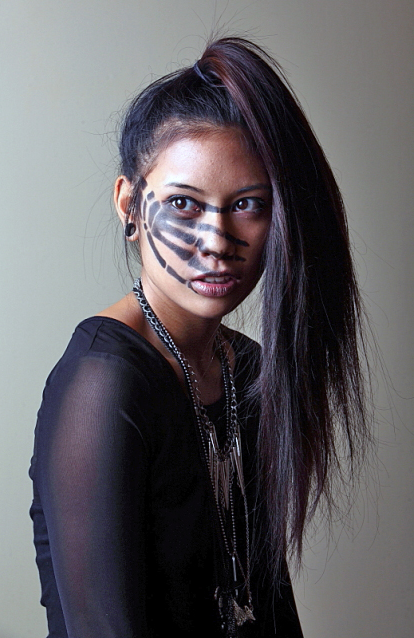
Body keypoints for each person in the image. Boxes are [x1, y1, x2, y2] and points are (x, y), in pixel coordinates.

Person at [29, 37, 370, 637]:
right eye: (184, 204)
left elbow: (269, 604)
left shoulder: (246, 369)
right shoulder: (104, 383)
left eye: (248, 204)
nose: (216, 240)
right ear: (129, 206)